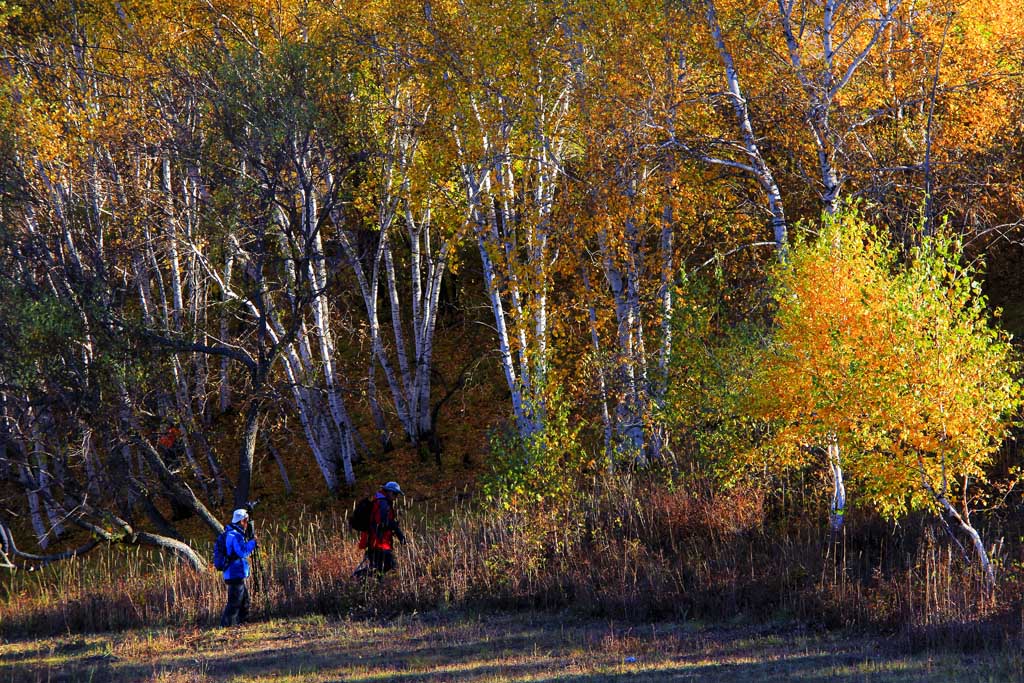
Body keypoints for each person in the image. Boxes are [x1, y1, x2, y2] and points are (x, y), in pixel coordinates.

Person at [355, 481, 406, 578]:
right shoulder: (383, 503)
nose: (396, 497)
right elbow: (382, 523)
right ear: (389, 492)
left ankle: (360, 580)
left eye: (397, 495)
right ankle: (358, 577)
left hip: (376, 543)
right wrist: (395, 528)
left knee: (378, 570)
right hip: (379, 544)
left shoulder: (379, 501)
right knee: (391, 566)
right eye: (395, 494)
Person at [220, 508, 258, 627]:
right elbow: (242, 552)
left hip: (235, 572)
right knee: (235, 602)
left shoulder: (233, 533)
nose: (247, 523)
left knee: (244, 601)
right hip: (234, 572)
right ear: (242, 521)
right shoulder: (234, 535)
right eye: (246, 520)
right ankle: (226, 625)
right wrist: (253, 543)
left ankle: (243, 623)